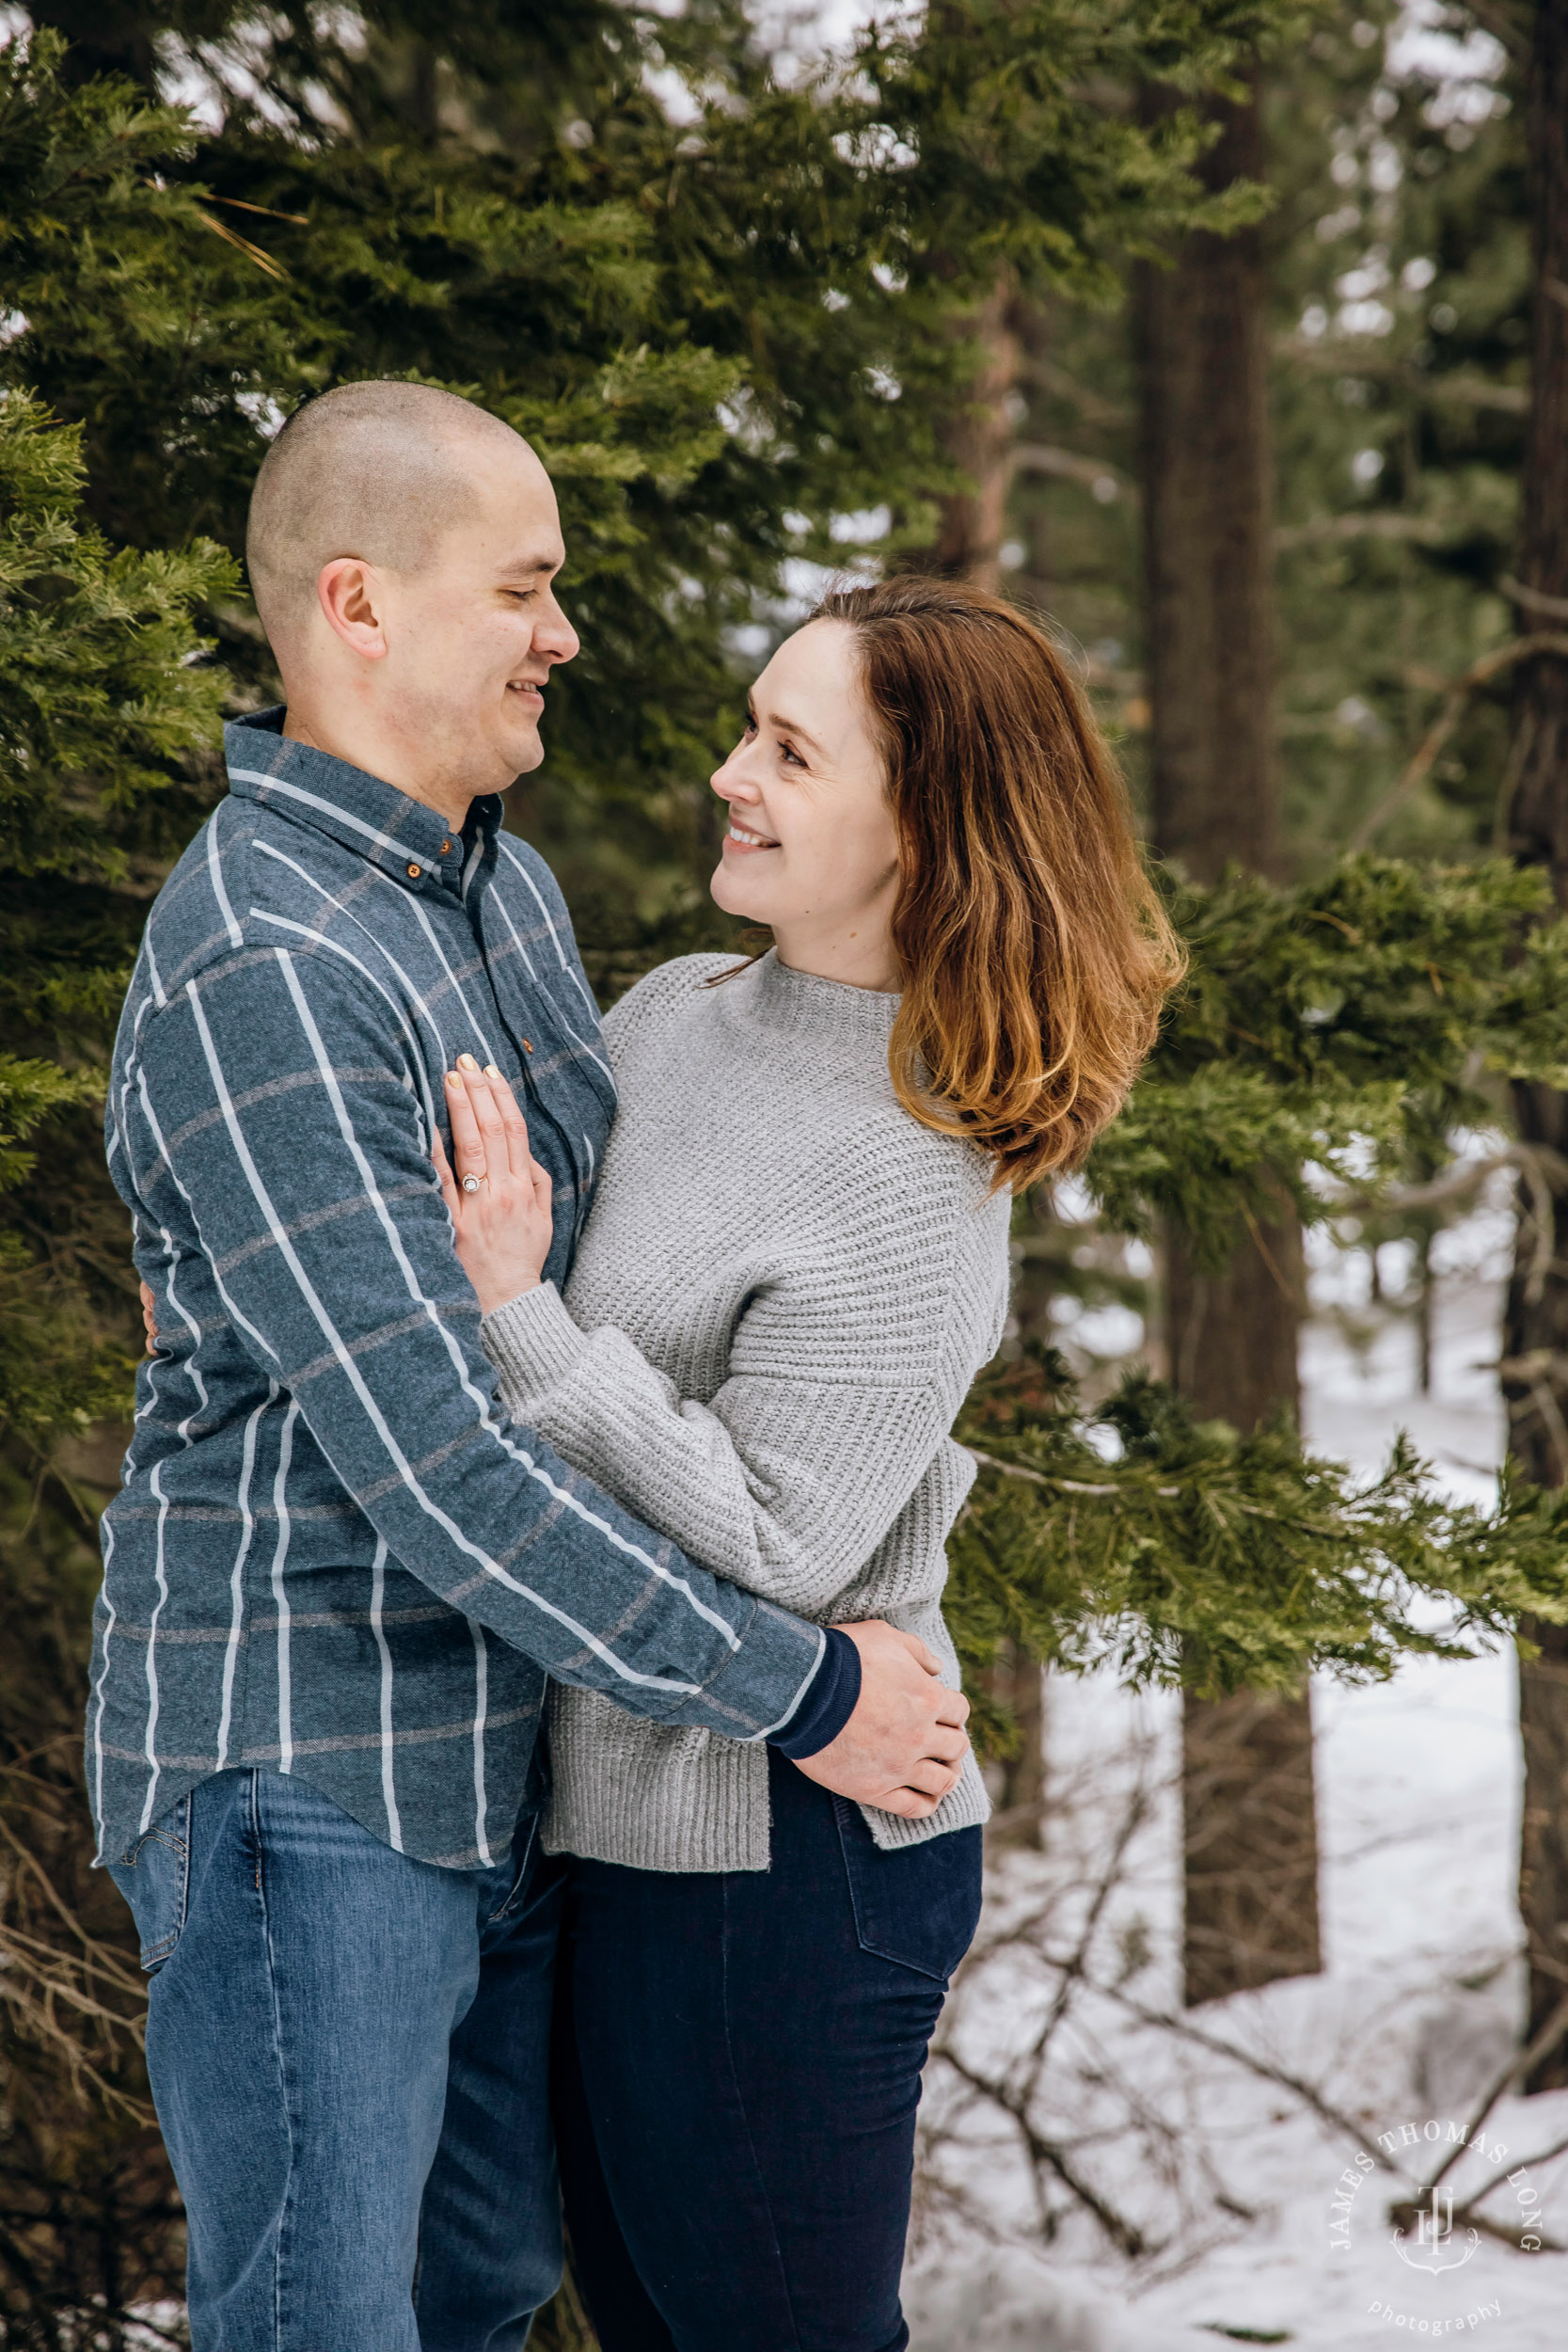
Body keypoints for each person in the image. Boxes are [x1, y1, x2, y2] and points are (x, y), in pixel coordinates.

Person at [103, 380, 970, 2352]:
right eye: (528, 585)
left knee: (475, 2288)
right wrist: (803, 1683)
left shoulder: (497, 888)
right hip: (306, 1760)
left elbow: (595, 1303)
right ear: (361, 606)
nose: (566, 631)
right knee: (329, 2316)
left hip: (500, 1750)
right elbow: (439, 1463)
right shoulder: (272, 959)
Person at [434, 576, 1184, 2351]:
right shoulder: (684, 1007)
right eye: (747, 730)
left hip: (785, 1864)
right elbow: (485, 1236)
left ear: (928, 831)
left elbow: (783, 1538)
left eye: (788, 750)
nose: (727, 774)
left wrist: (529, 1324)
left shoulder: (920, 1167)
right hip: (607, 1825)